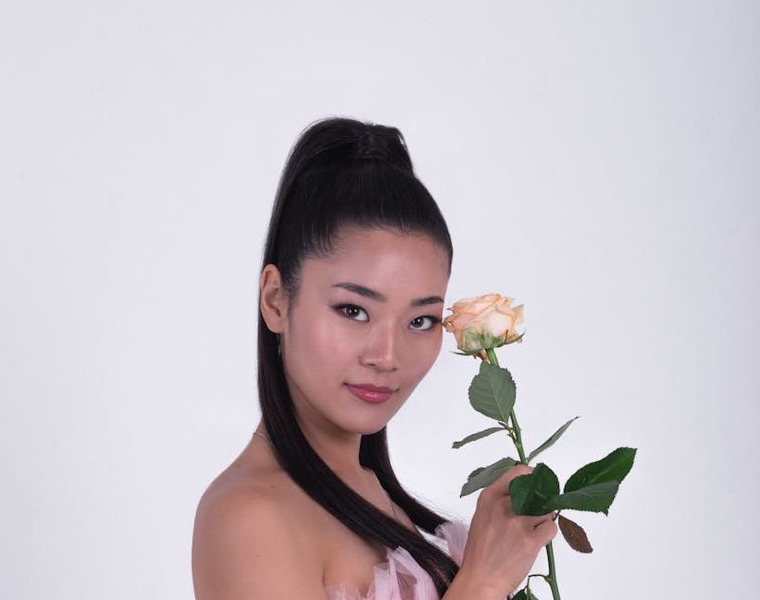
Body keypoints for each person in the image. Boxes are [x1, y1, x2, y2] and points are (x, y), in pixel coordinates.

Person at [191, 117, 558, 600]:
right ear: (277, 300)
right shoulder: (248, 519)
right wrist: (484, 582)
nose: (388, 357)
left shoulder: (377, 496)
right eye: (353, 310)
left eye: (420, 321)